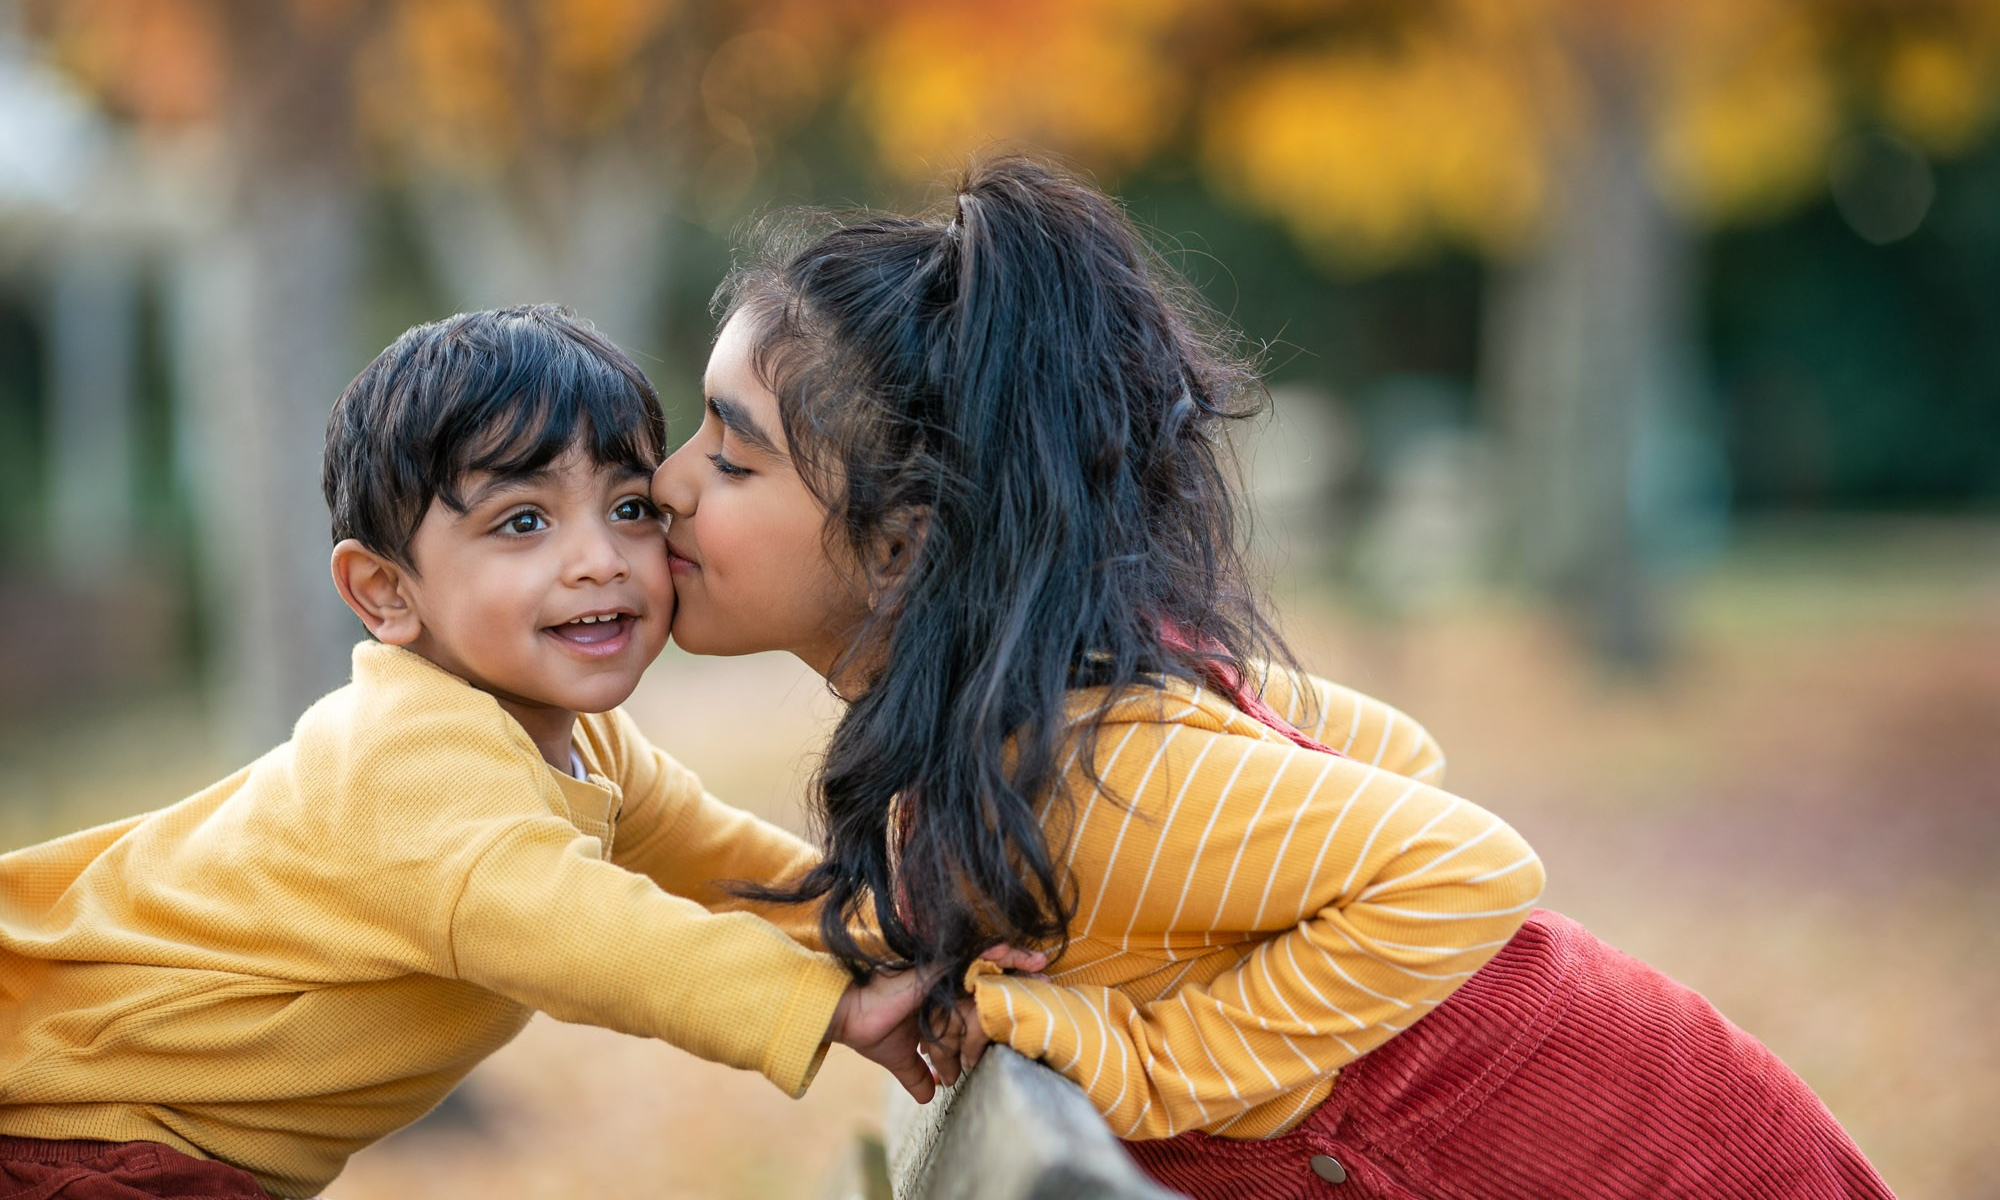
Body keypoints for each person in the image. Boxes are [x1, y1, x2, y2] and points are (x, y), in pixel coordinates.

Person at [651, 157, 1893, 1197]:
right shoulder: (1025, 742)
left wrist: (1152, 1052)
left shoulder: (1097, 773)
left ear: (903, 541)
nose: (666, 482)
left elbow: (1464, 865)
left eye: (732, 454)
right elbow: (1391, 752)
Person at [0, 305, 993, 1200]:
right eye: (523, 521)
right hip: (84, 1130)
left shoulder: (579, 742)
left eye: (629, 506)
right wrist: (818, 1005)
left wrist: (896, 932)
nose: (597, 557)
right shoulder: (407, 759)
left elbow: (725, 866)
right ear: (388, 593)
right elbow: (591, 932)